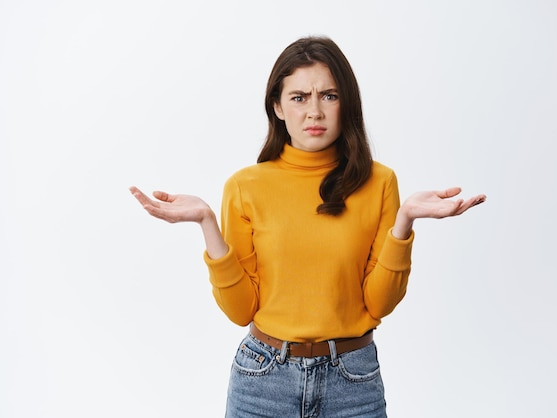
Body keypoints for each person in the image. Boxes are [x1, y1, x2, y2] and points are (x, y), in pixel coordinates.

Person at [130, 36, 485, 418]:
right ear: (278, 107)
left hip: (353, 381)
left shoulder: (379, 182)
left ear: (346, 103)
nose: (314, 111)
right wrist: (206, 222)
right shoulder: (244, 187)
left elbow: (379, 304)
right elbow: (240, 311)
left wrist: (404, 223)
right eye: (299, 97)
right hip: (263, 380)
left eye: (329, 96)